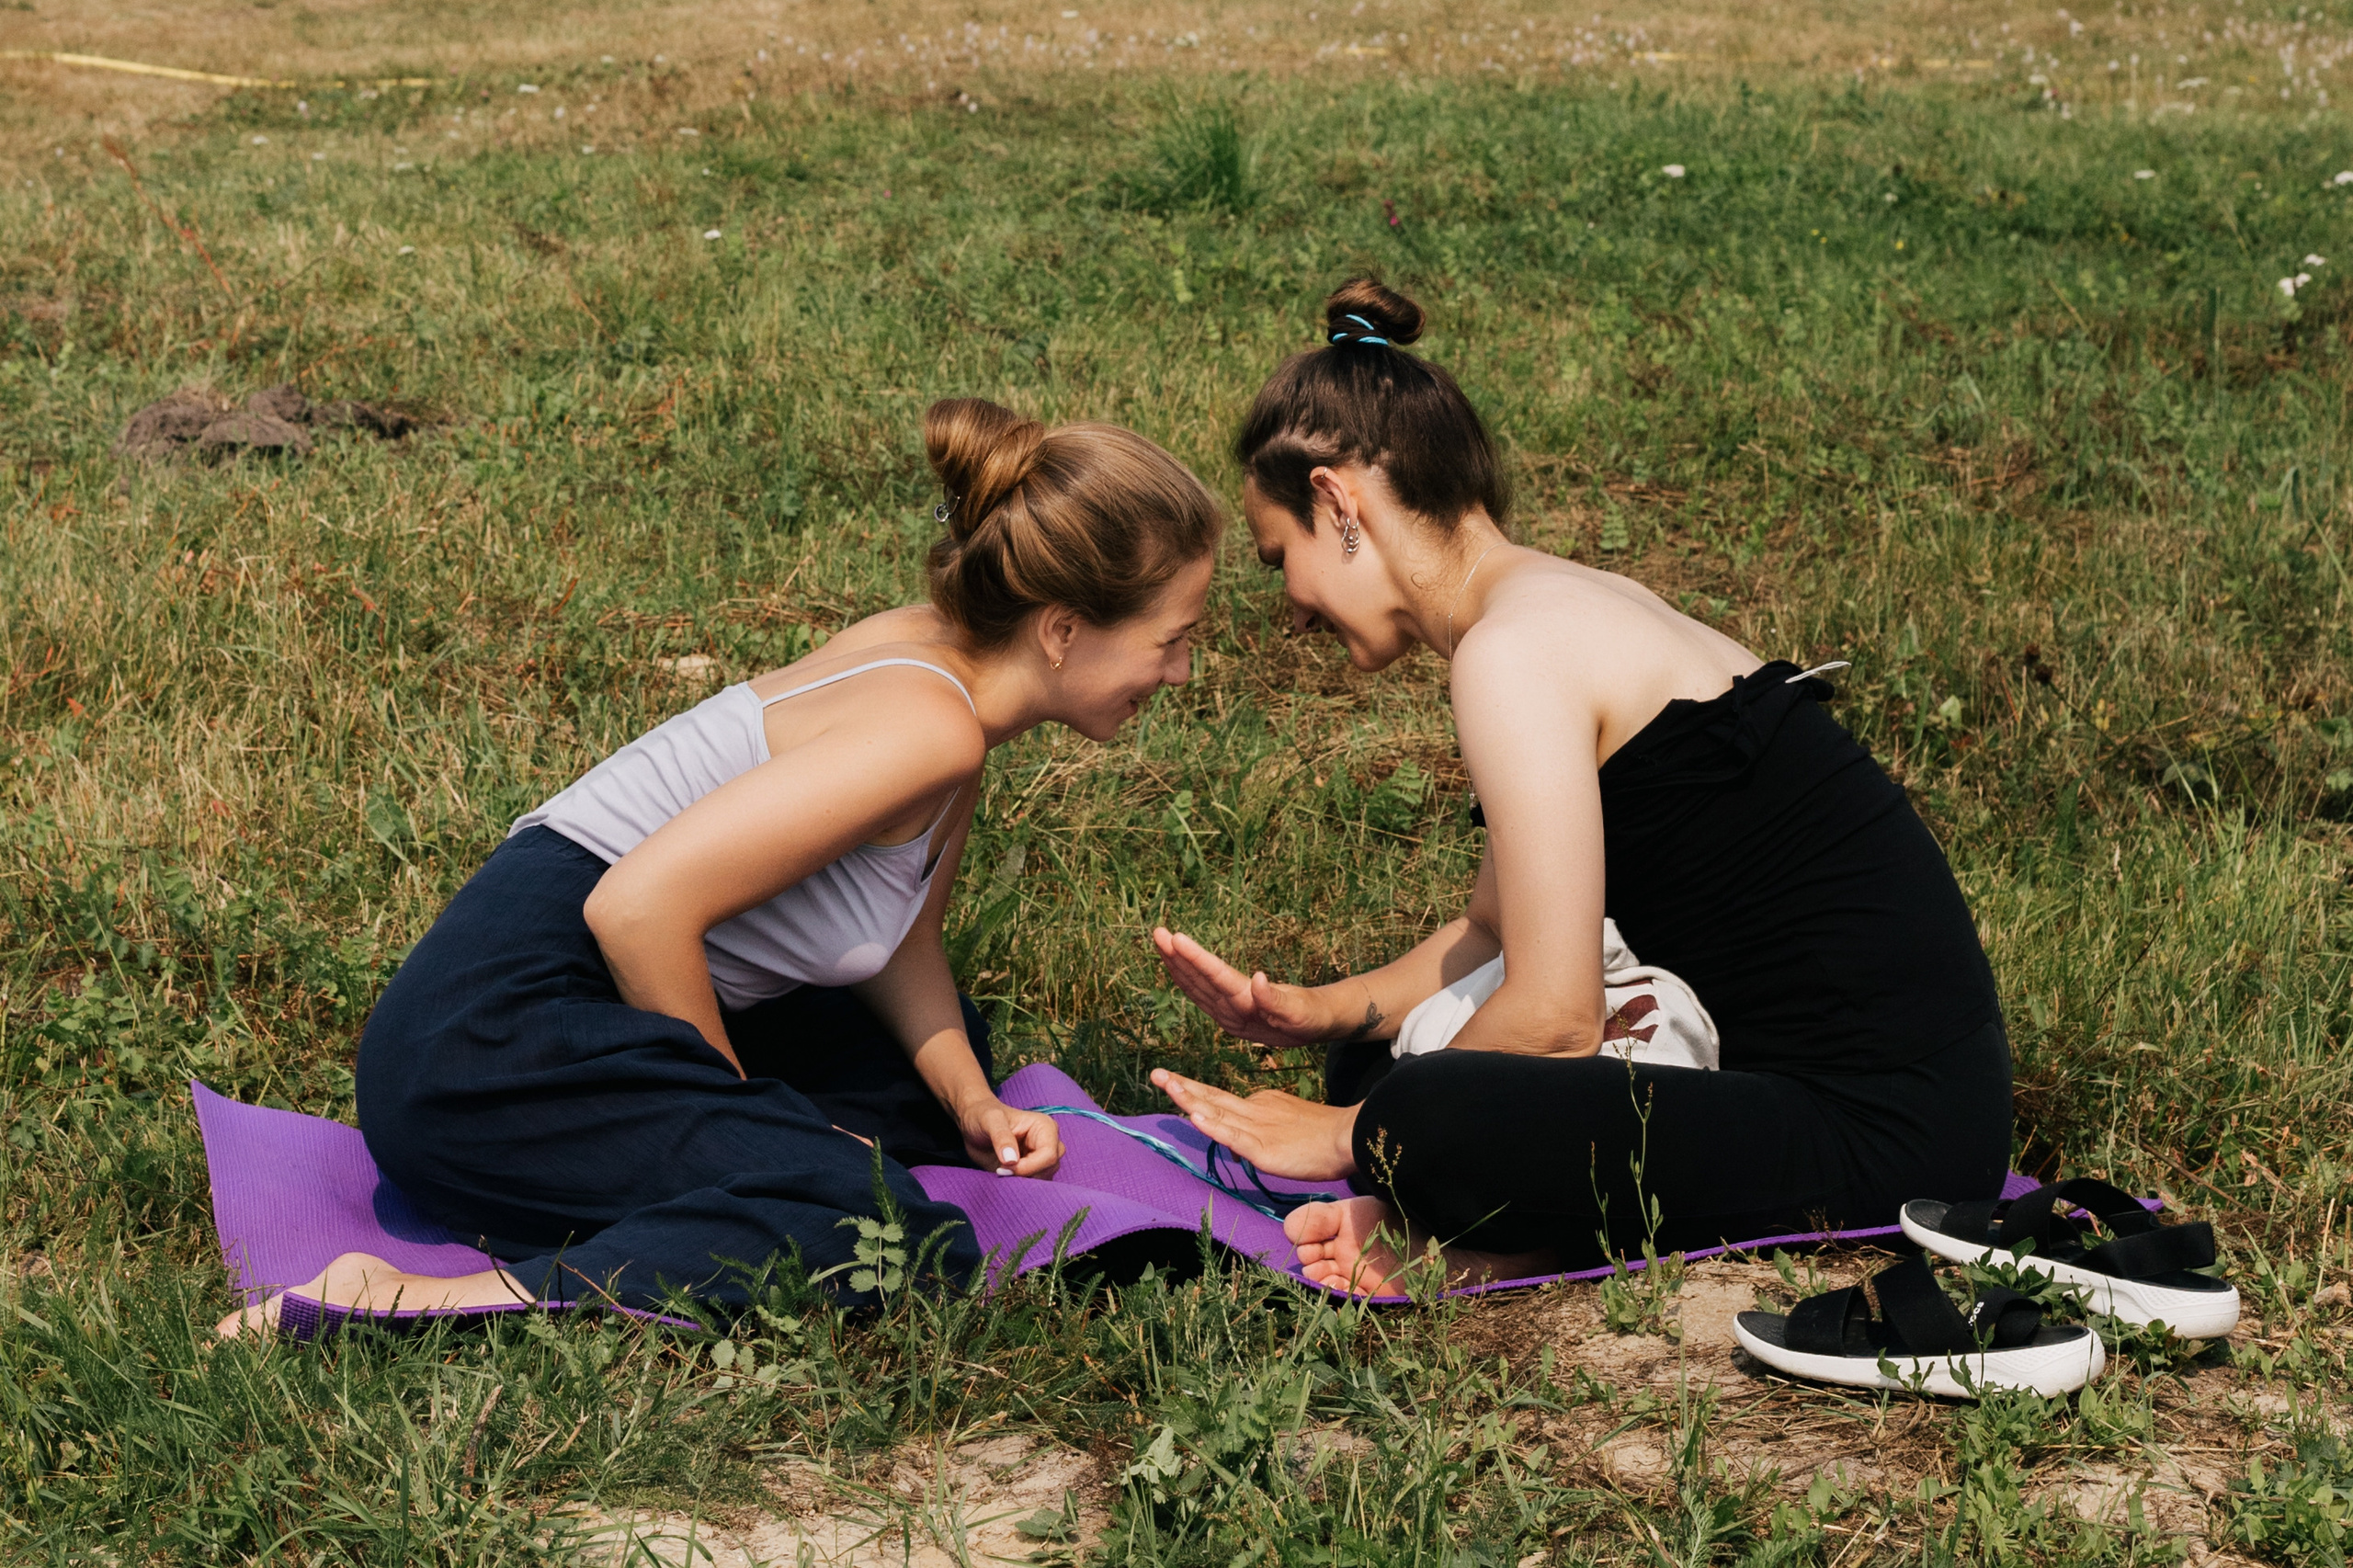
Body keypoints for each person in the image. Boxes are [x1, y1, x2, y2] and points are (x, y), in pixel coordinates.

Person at [219, 400, 1223, 1335]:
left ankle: (697, 1167)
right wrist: (755, 1118)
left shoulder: (953, 680)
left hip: (566, 1000)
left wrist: (974, 1102)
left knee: (926, 1077)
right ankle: (412, 1291)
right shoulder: (932, 729)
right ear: (1061, 629)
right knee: (879, 1230)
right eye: (1171, 640)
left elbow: (897, 935)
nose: (1180, 672)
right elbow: (637, 907)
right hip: (487, 1050)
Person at [1149, 280, 2011, 1296]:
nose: (1290, 607)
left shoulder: (1509, 652)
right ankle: (1525, 1217)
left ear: (1337, 502)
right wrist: (1322, 1011)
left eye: (1276, 556)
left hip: (1886, 1129)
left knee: (1416, 1119)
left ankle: (1510, 1230)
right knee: (1376, 1062)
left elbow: (1555, 1014)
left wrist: (1346, 1137)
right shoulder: (1549, 609)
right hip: (1817, 1088)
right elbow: (1492, 931)